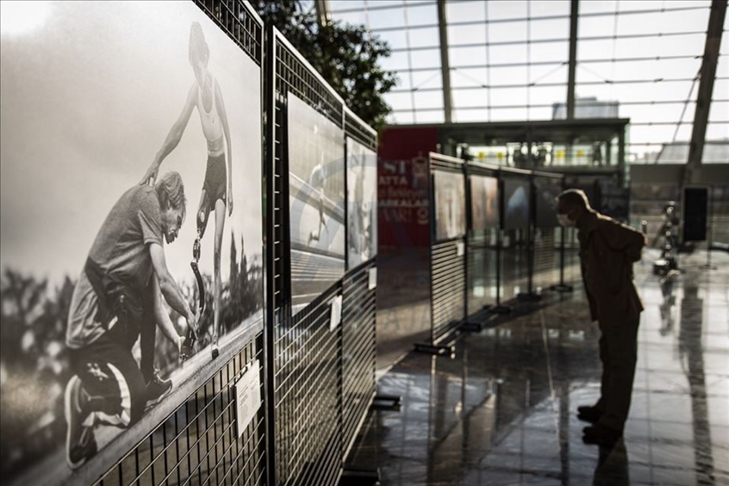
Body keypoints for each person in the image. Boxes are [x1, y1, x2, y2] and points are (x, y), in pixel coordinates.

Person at [64, 172, 198, 469]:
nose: (176, 232)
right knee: (131, 408)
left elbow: (157, 305)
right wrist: (189, 312)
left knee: (144, 302)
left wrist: (177, 339)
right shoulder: (148, 199)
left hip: (110, 320)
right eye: (178, 220)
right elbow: (165, 280)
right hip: (91, 328)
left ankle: (146, 377)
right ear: (169, 202)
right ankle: (85, 402)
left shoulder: (146, 244)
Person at [141, 21, 232, 357]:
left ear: (206, 58)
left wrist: (231, 186)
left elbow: (230, 136)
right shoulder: (194, 90)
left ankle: (218, 335)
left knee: (220, 253)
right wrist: (156, 160)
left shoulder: (216, 86)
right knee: (197, 231)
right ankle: (199, 316)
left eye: (200, 63)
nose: (198, 70)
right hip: (210, 172)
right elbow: (178, 129)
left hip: (224, 172)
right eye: (193, 65)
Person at [555, 188, 646, 447]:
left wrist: (622, 274)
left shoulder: (602, 227)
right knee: (609, 358)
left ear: (575, 210)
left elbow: (636, 240)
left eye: (562, 211)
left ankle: (613, 422)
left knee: (621, 364)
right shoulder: (586, 231)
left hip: (621, 308)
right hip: (608, 309)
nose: (560, 216)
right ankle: (605, 407)